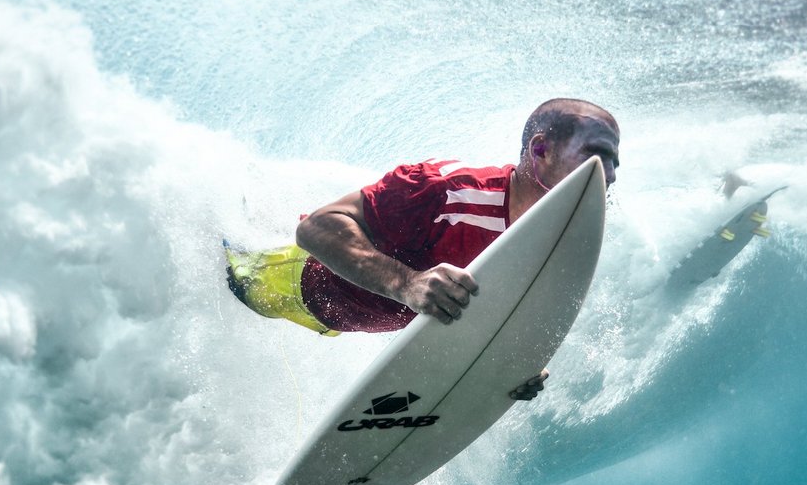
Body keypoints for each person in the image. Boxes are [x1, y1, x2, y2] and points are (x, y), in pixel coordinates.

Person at [226, 98, 620, 399]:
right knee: (228, 281)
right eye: (597, 157)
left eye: (615, 162)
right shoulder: (444, 190)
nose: (612, 175)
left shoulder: (556, 240)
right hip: (286, 279)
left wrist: (513, 366)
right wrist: (407, 283)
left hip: (339, 319)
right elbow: (315, 228)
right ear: (540, 151)